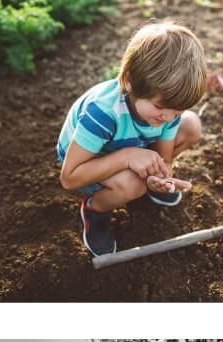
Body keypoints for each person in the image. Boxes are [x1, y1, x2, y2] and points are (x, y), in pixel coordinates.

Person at [56, 21, 205, 256]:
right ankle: (95, 211)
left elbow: (164, 159)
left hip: (132, 146)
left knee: (191, 125)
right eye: (161, 107)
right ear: (128, 81)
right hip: (87, 161)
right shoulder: (103, 113)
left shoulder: (167, 112)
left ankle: (145, 184)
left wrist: (160, 177)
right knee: (132, 184)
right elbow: (69, 178)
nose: (168, 118)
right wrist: (127, 157)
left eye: (176, 111)